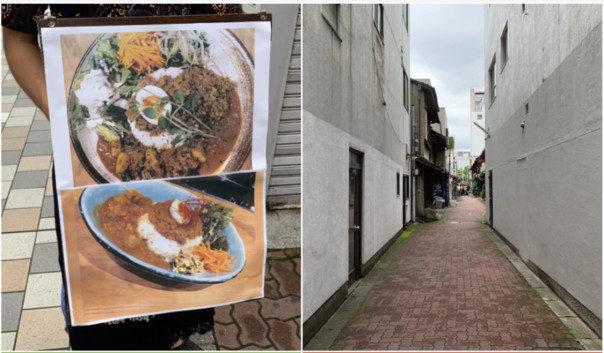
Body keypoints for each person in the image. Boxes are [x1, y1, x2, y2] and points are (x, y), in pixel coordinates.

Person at [2, 4, 242, 350]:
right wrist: (65, 118)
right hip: (90, 151)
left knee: (174, 297)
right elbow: (17, 35)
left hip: (187, 147)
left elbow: (231, 24)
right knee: (98, 298)